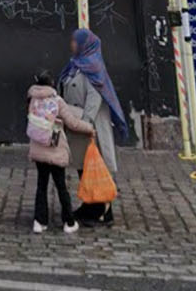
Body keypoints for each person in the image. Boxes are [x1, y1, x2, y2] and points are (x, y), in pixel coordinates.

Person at [59, 27, 125, 226]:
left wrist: (85, 124)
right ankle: (90, 205)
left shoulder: (94, 68)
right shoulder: (75, 66)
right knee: (83, 168)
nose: (71, 44)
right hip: (77, 125)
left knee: (95, 168)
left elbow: (94, 99)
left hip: (90, 128)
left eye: (75, 41)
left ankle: (103, 210)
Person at [25, 71, 94, 234]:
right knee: (61, 186)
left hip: (38, 148)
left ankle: (39, 221)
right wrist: (89, 129)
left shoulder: (32, 99)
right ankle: (69, 221)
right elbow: (73, 123)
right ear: (52, 84)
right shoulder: (57, 101)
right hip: (55, 149)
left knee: (41, 185)